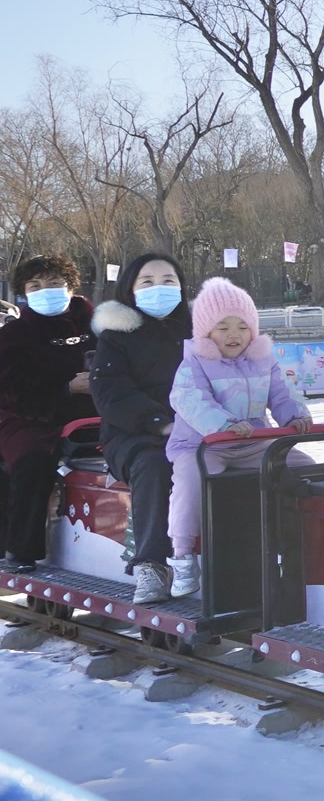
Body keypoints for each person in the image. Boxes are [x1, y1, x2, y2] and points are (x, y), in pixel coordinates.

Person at [165, 278, 314, 596]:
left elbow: (282, 392)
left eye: (242, 327)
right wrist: (225, 425)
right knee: (191, 483)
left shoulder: (264, 360)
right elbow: (191, 400)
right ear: (206, 331)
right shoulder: (194, 363)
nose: (234, 335)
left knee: (305, 467)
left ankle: (300, 536)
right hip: (202, 446)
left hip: (253, 443)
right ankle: (183, 556)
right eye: (223, 327)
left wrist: (296, 416)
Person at [90, 253, 193, 603]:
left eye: (168, 281)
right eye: (147, 282)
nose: (159, 288)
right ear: (130, 289)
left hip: (201, 428)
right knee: (155, 465)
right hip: (135, 435)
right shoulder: (117, 336)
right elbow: (111, 392)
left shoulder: (200, 329)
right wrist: (159, 423)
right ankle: (152, 563)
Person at [0, 255, 95, 574]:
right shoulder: (13, 335)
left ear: (70, 287)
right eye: (36, 285)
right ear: (24, 292)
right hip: (28, 418)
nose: (46, 291)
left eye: (54, 283)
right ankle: (21, 548)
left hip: (96, 413)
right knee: (33, 459)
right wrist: (65, 389)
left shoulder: (98, 324)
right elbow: (12, 390)